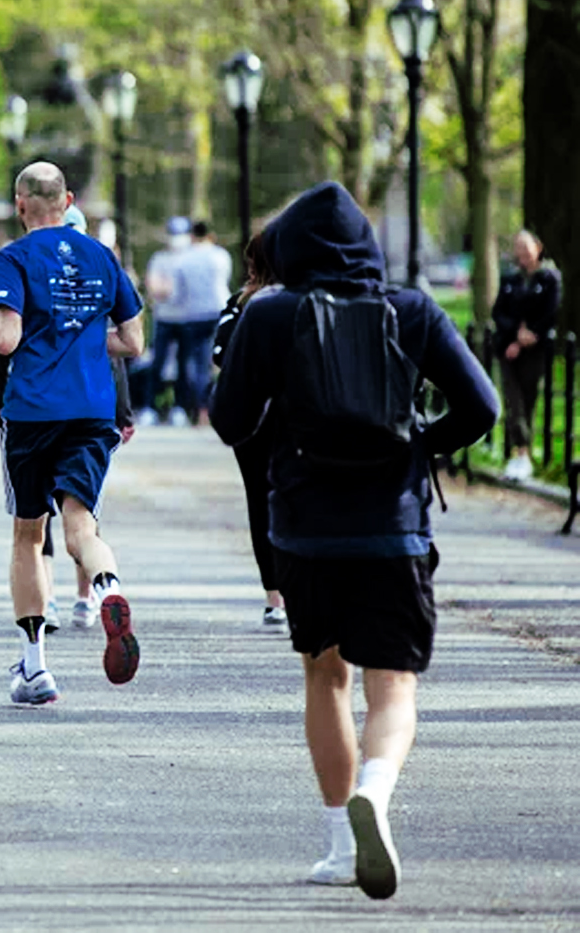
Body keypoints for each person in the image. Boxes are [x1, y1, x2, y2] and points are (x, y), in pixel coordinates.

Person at [210, 181, 498, 898]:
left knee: (325, 675)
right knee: (393, 685)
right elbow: (482, 406)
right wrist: (419, 446)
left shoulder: (272, 314)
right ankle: (376, 787)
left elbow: (229, 420)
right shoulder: (411, 310)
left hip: (303, 531)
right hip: (392, 528)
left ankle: (341, 841)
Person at [0, 163, 145, 707]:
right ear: (68, 200)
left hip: (32, 412)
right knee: (81, 526)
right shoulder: (102, 255)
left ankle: (35, 669)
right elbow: (133, 340)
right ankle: (108, 588)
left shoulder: (13, 258)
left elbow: (5, 340)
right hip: (93, 409)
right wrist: (84, 342)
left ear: (20, 203)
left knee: (29, 535)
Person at [212, 228, 289, 628]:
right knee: (291, 497)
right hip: (292, 416)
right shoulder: (298, 301)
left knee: (259, 502)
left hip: (251, 418)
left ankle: (274, 596)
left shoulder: (240, 304)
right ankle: (293, 588)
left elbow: (220, 353)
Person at [489, 229, 561, 482]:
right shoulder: (510, 279)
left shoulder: (549, 279)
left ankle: (523, 454)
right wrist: (514, 335)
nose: (522, 253)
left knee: (528, 400)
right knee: (513, 400)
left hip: (534, 349)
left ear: (538, 248)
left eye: (526, 247)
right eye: (517, 248)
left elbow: (551, 312)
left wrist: (531, 335)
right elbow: (498, 311)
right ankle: (519, 452)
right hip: (508, 349)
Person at [143, 216, 228, 425]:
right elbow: (156, 288)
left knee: (187, 364)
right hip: (167, 317)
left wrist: (165, 290)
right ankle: (153, 407)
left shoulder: (189, 258)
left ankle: (186, 407)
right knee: (160, 363)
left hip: (189, 317)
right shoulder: (161, 258)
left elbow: (171, 290)